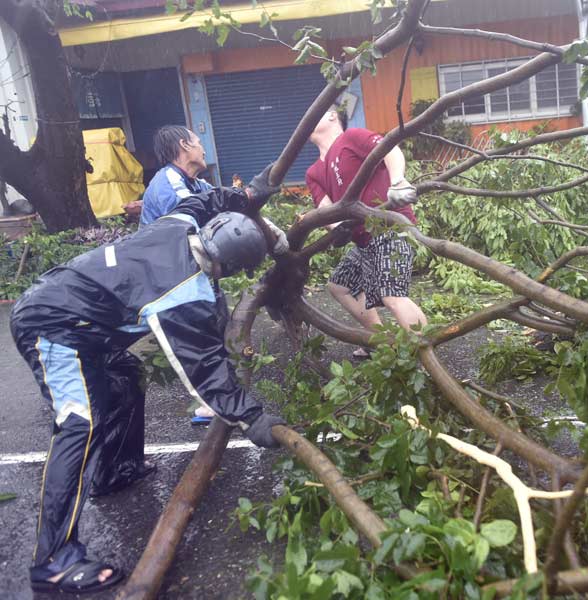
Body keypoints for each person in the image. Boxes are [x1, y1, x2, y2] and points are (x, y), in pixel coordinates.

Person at [10, 166, 287, 594]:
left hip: (79, 318)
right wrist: (253, 418)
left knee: (122, 375)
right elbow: (207, 373)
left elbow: (204, 200)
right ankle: (53, 561)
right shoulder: (184, 295)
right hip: (53, 324)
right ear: (231, 269)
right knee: (77, 424)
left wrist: (248, 198)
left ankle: (116, 469)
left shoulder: (178, 225)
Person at [140, 125, 287, 424]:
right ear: (184, 145)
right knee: (195, 336)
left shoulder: (196, 183)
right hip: (165, 276)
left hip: (192, 268)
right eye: (197, 141)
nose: (203, 147)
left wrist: (270, 228)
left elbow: (229, 203)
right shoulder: (168, 181)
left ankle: (218, 399)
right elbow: (201, 214)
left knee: (218, 325)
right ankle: (215, 401)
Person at [305, 105, 427, 358]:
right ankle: (384, 342)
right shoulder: (313, 173)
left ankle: (428, 354)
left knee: (392, 295)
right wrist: (336, 228)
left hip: (391, 226)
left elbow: (390, 150)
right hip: (364, 241)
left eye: (315, 111)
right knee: (339, 286)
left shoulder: (351, 137)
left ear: (331, 115)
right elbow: (325, 208)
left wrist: (398, 181)